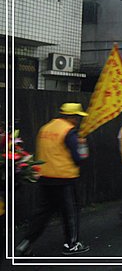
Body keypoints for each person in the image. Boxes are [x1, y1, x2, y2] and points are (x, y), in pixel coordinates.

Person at [15, 103, 90, 256]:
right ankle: (72, 244)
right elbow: (79, 158)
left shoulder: (45, 128)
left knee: (43, 213)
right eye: (77, 118)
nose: (78, 121)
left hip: (45, 177)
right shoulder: (69, 132)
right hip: (64, 178)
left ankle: (26, 242)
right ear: (72, 117)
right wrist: (83, 146)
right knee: (70, 213)